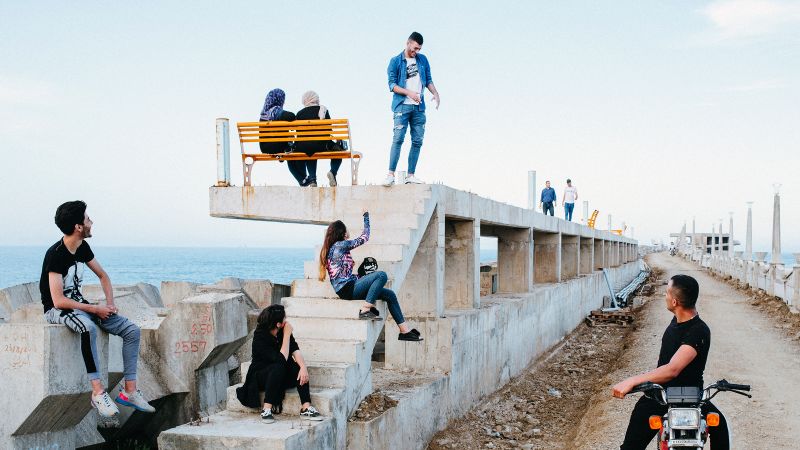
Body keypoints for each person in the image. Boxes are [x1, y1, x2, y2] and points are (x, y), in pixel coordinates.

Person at [39, 201, 155, 418]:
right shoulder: (55, 255)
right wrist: (93, 309)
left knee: (131, 331)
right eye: (87, 219)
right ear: (78, 227)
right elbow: (57, 301)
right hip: (57, 310)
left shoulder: (82, 247)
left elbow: (103, 276)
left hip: (80, 305)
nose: (91, 222)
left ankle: (130, 391)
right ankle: (98, 392)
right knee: (88, 328)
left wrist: (109, 304)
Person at [612, 274, 730, 449]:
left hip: (686, 397)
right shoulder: (678, 320)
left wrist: (632, 381)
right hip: (669, 394)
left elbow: (672, 369)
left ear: (675, 302)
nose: (665, 296)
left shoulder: (698, 331)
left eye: (667, 292)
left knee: (720, 426)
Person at [319, 210, 422, 342]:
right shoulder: (341, 245)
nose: (348, 232)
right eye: (346, 230)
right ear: (343, 233)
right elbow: (364, 237)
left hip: (347, 288)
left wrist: (362, 277)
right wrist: (366, 217)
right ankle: (365, 310)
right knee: (381, 275)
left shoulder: (333, 248)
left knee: (390, 295)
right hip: (348, 289)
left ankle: (404, 331)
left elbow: (344, 275)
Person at [236, 304, 324, 423]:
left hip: (278, 375)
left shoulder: (282, 330)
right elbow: (280, 360)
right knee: (278, 367)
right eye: (284, 318)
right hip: (260, 376)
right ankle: (266, 409)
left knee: (296, 366)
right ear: (278, 324)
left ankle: (306, 407)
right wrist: (287, 335)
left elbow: (295, 350)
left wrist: (303, 367)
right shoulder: (260, 336)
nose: (286, 321)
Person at [382, 31, 440, 187]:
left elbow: (428, 79)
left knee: (417, 141)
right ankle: (390, 174)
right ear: (408, 43)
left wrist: (435, 93)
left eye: (419, 49)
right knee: (398, 139)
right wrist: (409, 93)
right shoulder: (395, 61)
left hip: (419, 108)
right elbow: (392, 85)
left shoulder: (422, 60)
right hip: (402, 106)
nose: (416, 52)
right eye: (414, 48)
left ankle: (411, 175)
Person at [258, 88, 310, 186]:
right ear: (279, 99)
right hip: (277, 145)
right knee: (296, 149)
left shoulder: (263, 113)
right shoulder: (275, 110)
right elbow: (290, 116)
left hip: (265, 147)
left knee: (290, 152)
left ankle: (303, 180)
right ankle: (304, 178)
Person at [295, 90, 343, 187]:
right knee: (339, 150)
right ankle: (332, 172)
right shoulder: (323, 110)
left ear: (305, 100)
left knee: (310, 150)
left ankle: (312, 179)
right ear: (316, 99)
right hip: (322, 145)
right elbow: (329, 129)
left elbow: (298, 133)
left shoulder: (299, 113)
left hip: (304, 146)